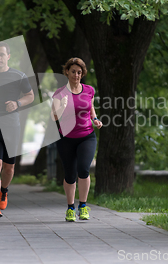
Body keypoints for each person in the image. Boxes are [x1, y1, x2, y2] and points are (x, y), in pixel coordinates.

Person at [0, 42, 34, 220]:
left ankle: (4, 190)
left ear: (8, 56)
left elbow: (30, 96)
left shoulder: (19, 76)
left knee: (9, 168)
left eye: (2, 54)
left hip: (12, 126)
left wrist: (17, 103)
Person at [52, 57, 103, 222]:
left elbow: (91, 108)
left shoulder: (89, 90)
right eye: (73, 71)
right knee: (70, 174)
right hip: (66, 138)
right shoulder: (59, 93)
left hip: (87, 136)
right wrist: (62, 105)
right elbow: (54, 116)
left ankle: (83, 206)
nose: (76, 75)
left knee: (83, 169)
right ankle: (70, 208)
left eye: (79, 72)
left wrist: (95, 119)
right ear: (67, 72)